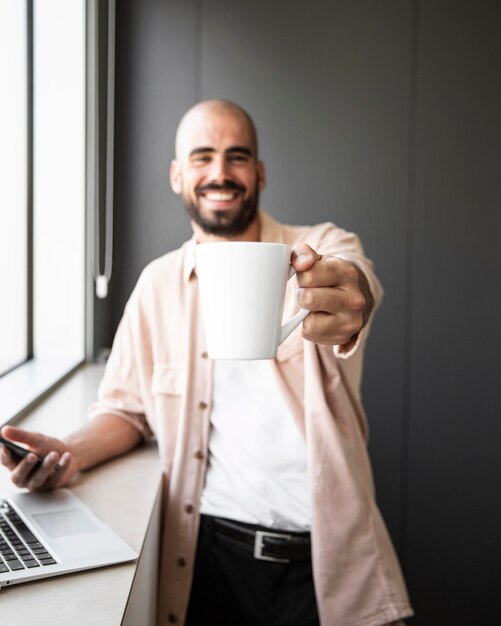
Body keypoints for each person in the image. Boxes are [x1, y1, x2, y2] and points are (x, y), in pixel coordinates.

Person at [0, 100, 413, 626]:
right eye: (202, 157)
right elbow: (126, 410)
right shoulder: (157, 286)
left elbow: (356, 283)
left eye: (237, 157)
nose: (220, 172)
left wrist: (348, 296)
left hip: (327, 561)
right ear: (177, 175)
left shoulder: (320, 248)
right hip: (206, 561)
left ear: (259, 173)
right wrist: (69, 454)